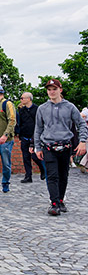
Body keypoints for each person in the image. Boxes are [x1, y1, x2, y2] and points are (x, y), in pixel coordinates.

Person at [32, 79, 88, 216]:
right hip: (48, 146)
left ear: (60, 90)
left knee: (63, 175)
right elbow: (38, 129)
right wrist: (37, 147)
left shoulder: (70, 107)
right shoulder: (42, 108)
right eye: (49, 89)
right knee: (52, 175)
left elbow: (81, 124)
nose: (51, 92)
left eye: (54, 89)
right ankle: (54, 203)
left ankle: (61, 200)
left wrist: (83, 141)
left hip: (65, 146)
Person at [17, 92, 44, 183]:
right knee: (26, 157)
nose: (21, 100)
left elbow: (39, 124)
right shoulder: (21, 110)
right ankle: (28, 176)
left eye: (22, 98)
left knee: (35, 156)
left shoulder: (37, 109)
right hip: (24, 137)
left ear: (29, 99)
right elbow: (20, 123)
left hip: (35, 137)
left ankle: (43, 169)